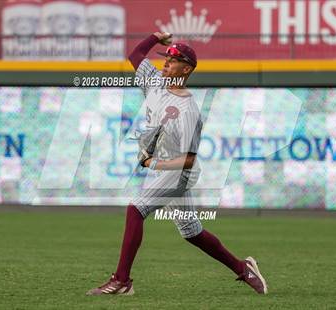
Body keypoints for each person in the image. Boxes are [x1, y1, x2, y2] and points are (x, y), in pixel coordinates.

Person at [86, 32, 268, 296]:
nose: (165, 64)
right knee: (191, 231)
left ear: (186, 68)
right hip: (166, 167)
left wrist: (154, 162)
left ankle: (121, 281)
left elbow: (189, 159)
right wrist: (155, 37)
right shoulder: (156, 82)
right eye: (165, 59)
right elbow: (135, 55)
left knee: (136, 209)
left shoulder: (188, 111)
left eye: (172, 61)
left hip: (179, 172)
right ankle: (243, 268)